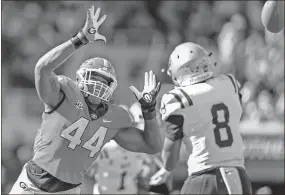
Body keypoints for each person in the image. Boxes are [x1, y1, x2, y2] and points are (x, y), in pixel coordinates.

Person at [9, 6, 162, 194]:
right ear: (80, 78)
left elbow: (152, 145)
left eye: (104, 81)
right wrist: (80, 39)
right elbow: (42, 69)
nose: (99, 84)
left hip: (69, 190)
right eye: (94, 77)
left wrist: (149, 109)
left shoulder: (116, 117)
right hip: (33, 181)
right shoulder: (64, 93)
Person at [149, 42, 252, 194]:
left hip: (206, 179)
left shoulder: (178, 99)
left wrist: (166, 169)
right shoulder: (229, 83)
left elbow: (170, 160)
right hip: (240, 178)